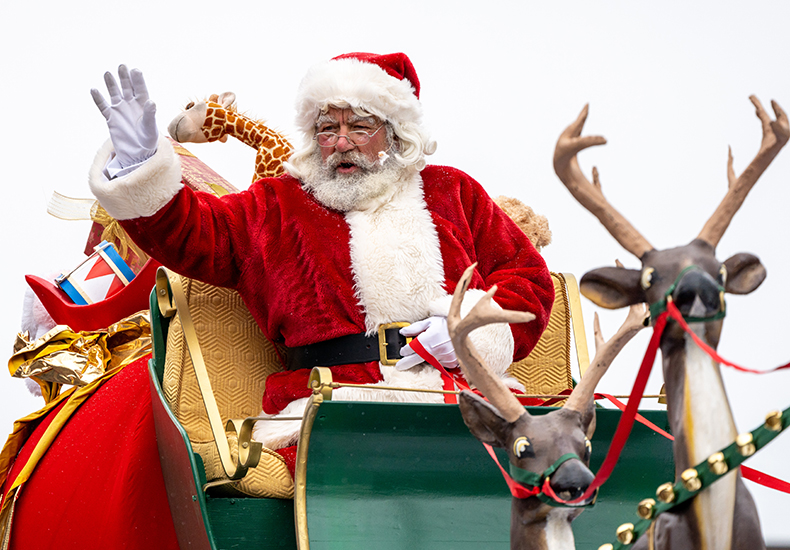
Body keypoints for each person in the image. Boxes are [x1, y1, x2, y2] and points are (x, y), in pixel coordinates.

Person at [88, 52, 555, 458]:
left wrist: (469, 332)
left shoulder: (452, 191)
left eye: (360, 126)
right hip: (327, 411)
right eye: (327, 128)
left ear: (394, 132)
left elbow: (527, 278)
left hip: (462, 397)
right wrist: (141, 165)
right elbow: (190, 233)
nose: (341, 141)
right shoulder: (274, 204)